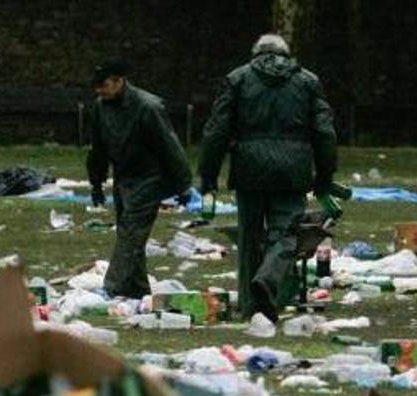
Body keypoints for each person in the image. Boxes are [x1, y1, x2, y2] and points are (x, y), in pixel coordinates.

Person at [198, 34, 338, 322]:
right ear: (287, 54)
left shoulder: (238, 78)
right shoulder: (308, 81)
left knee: (249, 236)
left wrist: (208, 177)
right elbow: (325, 133)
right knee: (285, 235)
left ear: (256, 53)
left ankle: (251, 305)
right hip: (293, 170)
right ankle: (269, 280)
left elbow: (217, 131)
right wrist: (324, 176)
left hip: (248, 169)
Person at [86, 59, 193, 299]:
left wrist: (182, 184)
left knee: (130, 232)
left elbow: (169, 147)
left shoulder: (148, 107)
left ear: (118, 81)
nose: (99, 91)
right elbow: (98, 148)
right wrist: (96, 183)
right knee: (131, 234)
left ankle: (111, 287)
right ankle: (137, 289)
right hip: (123, 176)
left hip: (150, 176)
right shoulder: (102, 107)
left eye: (103, 85)